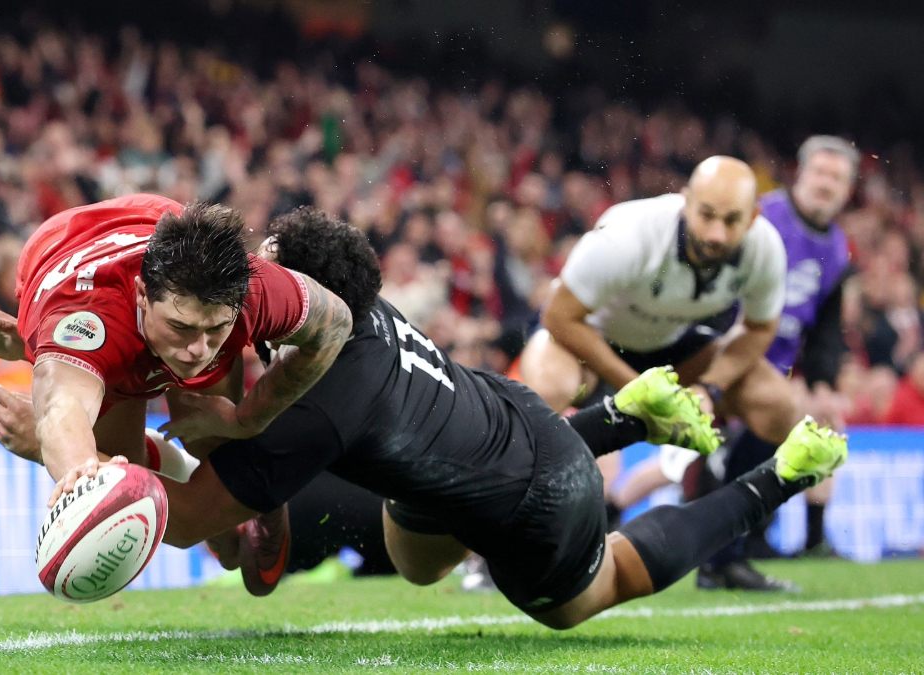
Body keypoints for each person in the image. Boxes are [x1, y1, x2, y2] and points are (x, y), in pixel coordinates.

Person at [147, 208, 845, 628]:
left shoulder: (320, 415)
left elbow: (184, 520)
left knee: (595, 590)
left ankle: (779, 475)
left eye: (274, 270)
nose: (260, 281)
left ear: (307, 291)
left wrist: (104, 458)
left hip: (541, 498)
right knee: (415, 563)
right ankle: (621, 412)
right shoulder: (356, 310)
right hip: (504, 421)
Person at [0, 193, 353, 596]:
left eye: (216, 329)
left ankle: (240, 483)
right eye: (182, 327)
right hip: (77, 284)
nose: (199, 350)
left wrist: (249, 418)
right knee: (185, 527)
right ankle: (41, 349)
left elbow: (335, 324)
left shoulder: (252, 289)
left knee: (214, 443)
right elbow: (62, 408)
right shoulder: (86, 322)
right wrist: (75, 470)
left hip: (156, 226)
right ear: (143, 294)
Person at [512, 156, 808, 588]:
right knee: (548, 388)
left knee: (779, 406)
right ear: (685, 201)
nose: (715, 234)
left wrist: (711, 387)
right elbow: (559, 316)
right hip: (588, 339)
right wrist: (634, 387)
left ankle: (724, 556)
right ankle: (497, 550)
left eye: (731, 221)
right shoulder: (631, 233)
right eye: (706, 215)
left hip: (673, 349)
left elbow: (760, 328)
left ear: (754, 217)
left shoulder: (764, 247)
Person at [610, 137, 859, 586]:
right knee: (682, 458)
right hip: (712, 350)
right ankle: (610, 523)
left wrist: (821, 382)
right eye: (820, 172)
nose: (827, 184)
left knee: (753, 440)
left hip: (768, 366)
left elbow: (823, 326)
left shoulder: (838, 248)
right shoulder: (753, 214)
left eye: (837, 178)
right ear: (799, 173)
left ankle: (727, 553)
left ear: (849, 188)